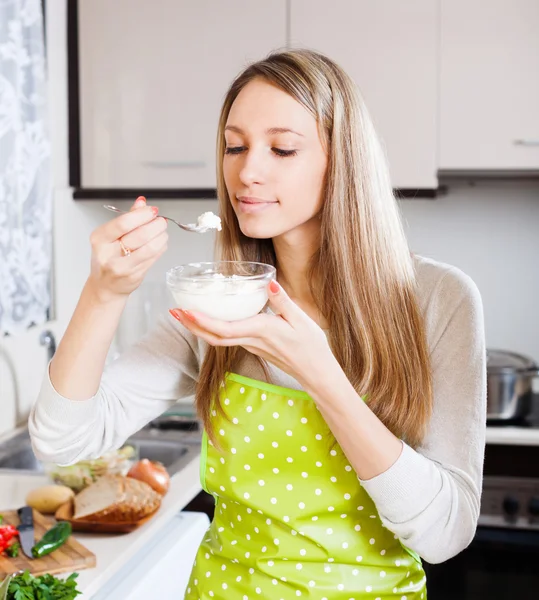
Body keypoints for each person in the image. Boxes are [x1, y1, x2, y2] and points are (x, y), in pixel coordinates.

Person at [29, 49, 486, 599]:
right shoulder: (217, 302)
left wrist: (322, 374)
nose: (247, 171)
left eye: (282, 148)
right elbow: (62, 441)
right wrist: (104, 293)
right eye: (235, 145)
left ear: (342, 160)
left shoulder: (439, 299)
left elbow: (445, 534)